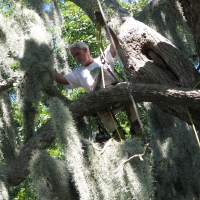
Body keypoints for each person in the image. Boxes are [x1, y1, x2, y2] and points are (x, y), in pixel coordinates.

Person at [54, 11, 142, 141]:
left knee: (125, 90)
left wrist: (104, 24)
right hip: (99, 99)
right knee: (100, 110)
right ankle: (118, 134)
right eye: (74, 56)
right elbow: (62, 79)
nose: (76, 58)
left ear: (85, 50)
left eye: (77, 54)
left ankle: (136, 126)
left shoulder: (103, 58)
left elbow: (115, 43)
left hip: (115, 91)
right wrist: (46, 68)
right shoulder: (78, 73)